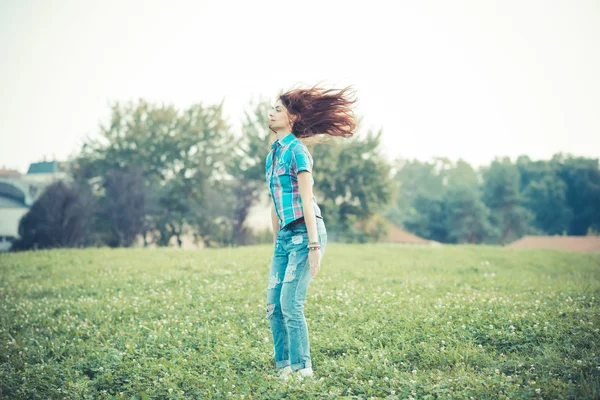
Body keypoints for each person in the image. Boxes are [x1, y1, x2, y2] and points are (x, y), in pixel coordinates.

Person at [264, 84, 357, 380]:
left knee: (290, 302)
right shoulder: (272, 156)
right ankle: (284, 367)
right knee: (273, 304)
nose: (271, 113)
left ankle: (303, 368)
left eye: (278, 109)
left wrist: (314, 246)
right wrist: (276, 242)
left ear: (291, 117)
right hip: (284, 239)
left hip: (306, 234)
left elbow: (306, 199)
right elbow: (274, 202)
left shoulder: (297, 151)